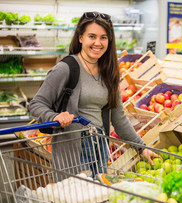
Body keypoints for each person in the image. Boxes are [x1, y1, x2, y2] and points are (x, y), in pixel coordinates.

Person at [29, 12, 158, 177]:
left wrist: (141, 147)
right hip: (73, 148)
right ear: (81, 37)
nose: (98, 43)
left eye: (103, 37)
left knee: (97, 198)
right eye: (92, 36)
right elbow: (37, 103)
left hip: (99, 146)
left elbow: (119, 118)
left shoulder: (109, 73)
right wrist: (54, 117)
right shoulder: (66, 68)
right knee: (75, 198)